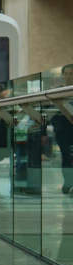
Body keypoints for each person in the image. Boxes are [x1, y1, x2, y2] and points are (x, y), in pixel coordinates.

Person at [52, 63, 73, 195]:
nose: (69, 76)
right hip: (63, 131)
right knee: (66, 156)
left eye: (71, 74)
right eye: (66, 74)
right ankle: (69, 183)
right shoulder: (58, 92)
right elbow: (51, 113)